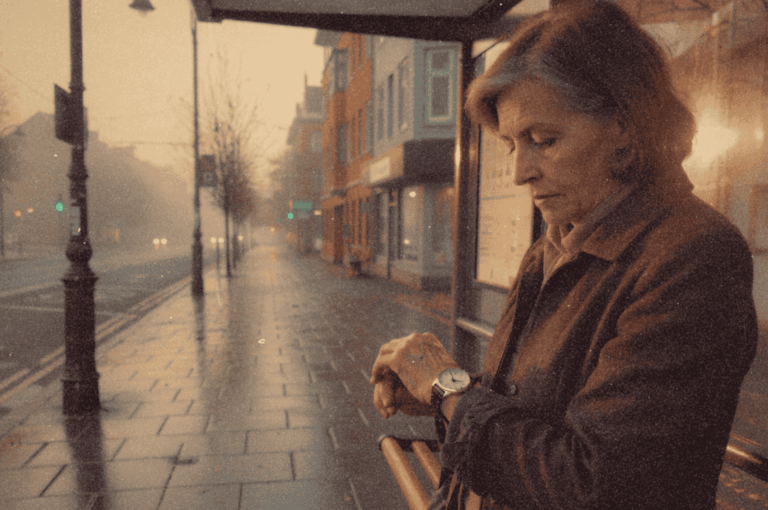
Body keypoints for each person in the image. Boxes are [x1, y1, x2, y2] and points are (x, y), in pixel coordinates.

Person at [369, 1, 758, 509]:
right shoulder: (557, 240)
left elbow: (594, 482)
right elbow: (540, 403)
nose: (519, 172)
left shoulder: (694, 258)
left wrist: (449, 391)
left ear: (625, 124)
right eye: (512, 144)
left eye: (543, 140)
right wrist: (436, 395)